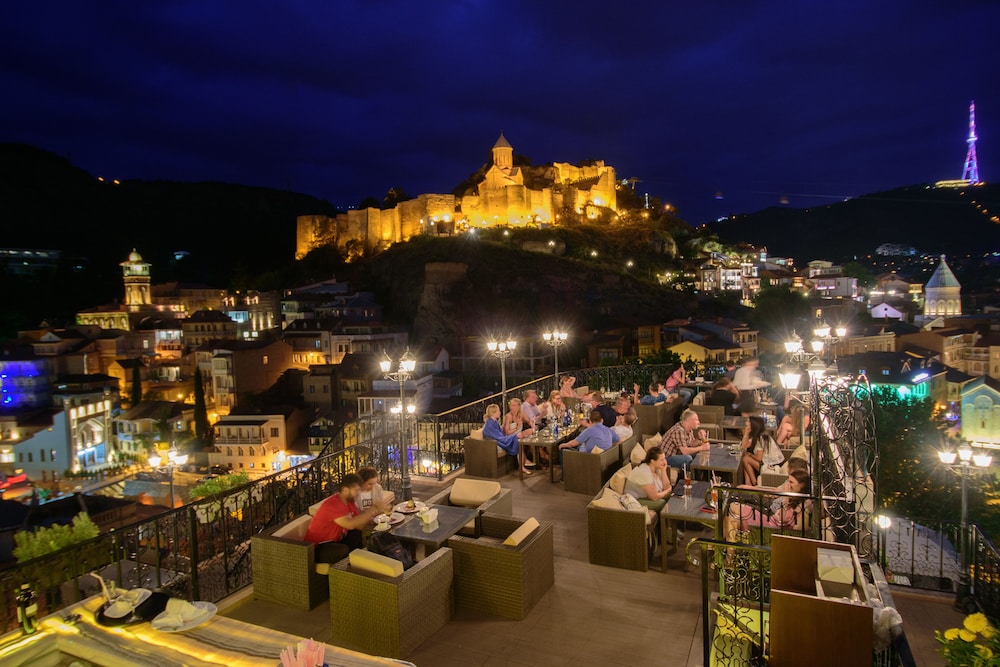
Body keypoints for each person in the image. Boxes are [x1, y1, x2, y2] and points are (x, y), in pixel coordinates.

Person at [305, 473, 387, 563]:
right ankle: (347, 568)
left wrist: (374, 521)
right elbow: (350, 524)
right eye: (356, 490)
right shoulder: (333, 504)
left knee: (356, 534)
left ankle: (360, 562)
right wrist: (373, 509)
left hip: (336, 540)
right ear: (345, 490)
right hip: (318, 547)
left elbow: (359, 526)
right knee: (342, 550)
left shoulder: (349, 502)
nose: (358, 494)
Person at [726, 468, 811, 535]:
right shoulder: (793, 497)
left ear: (802, 485)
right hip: (770, 516)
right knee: (732, 512)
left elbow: (782, 522)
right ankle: (730, 546)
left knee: (734, 507)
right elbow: (775, 497)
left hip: (769, 524)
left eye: (791, 482)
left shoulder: (802, 505)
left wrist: (785, 497)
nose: (788, 484)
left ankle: (729, 546)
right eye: (788, 481)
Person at [483, 403, 534, 474]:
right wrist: (515, 436)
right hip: (494, 444)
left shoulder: (494, 421)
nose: (500, 412)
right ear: (493, 413)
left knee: (519, 442)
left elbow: (501, 435)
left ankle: (522, 465)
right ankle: (522, 466)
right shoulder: (489, 424)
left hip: (498, 440)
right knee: (517, 440)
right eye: (498, 411)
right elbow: (499, 438)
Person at [739, 416, 785, 486]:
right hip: (766, 463)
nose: (746, 423)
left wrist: (750, 455)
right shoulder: (757, 435)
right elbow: (744, 446)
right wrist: (746, 433)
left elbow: (759, 458)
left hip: (772, 466)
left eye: (748, 422)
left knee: (746, 459)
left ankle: (754, 482)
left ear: (753, 425)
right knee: (745, 457)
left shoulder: (762, 437)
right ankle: (748, 483)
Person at [625, 445, 672, 511]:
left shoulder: (656, 468)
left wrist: (663, 470)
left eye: (664, 459)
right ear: (652, 461)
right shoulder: (644, 473)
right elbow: (654, 497)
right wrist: (666, 491)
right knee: (662, 503)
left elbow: (666, 486)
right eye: (661, 460)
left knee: (670, 496)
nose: (664, 462)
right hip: (635, 500)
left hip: (646, 496)